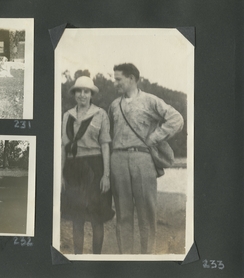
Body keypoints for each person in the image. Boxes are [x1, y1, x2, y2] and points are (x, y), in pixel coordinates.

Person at [108, 63, 184, 254]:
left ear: (131, 78)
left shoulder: (150, 101)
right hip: (117, 161)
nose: (115, 83)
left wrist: (155, 137)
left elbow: (177, 119)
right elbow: (108, 137)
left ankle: (146, 260)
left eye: (118, 79)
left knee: (146, 214)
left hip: (143, 160)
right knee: (123, 215)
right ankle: (125, 260)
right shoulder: (113, 106)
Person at [61, 76, 114, 254]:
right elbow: (64, 147)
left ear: (91, 94)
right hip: (73, 168)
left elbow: (105, 145)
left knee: (96, 218)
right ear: (74, 93)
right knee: (77, 218)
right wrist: (60, 174)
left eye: (86, 91)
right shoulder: (67, 115)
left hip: (95, 167)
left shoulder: (100, 114)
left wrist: (106, 175)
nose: (82, 95)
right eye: (79, 91)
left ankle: (96, 260)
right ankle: (77, 258)